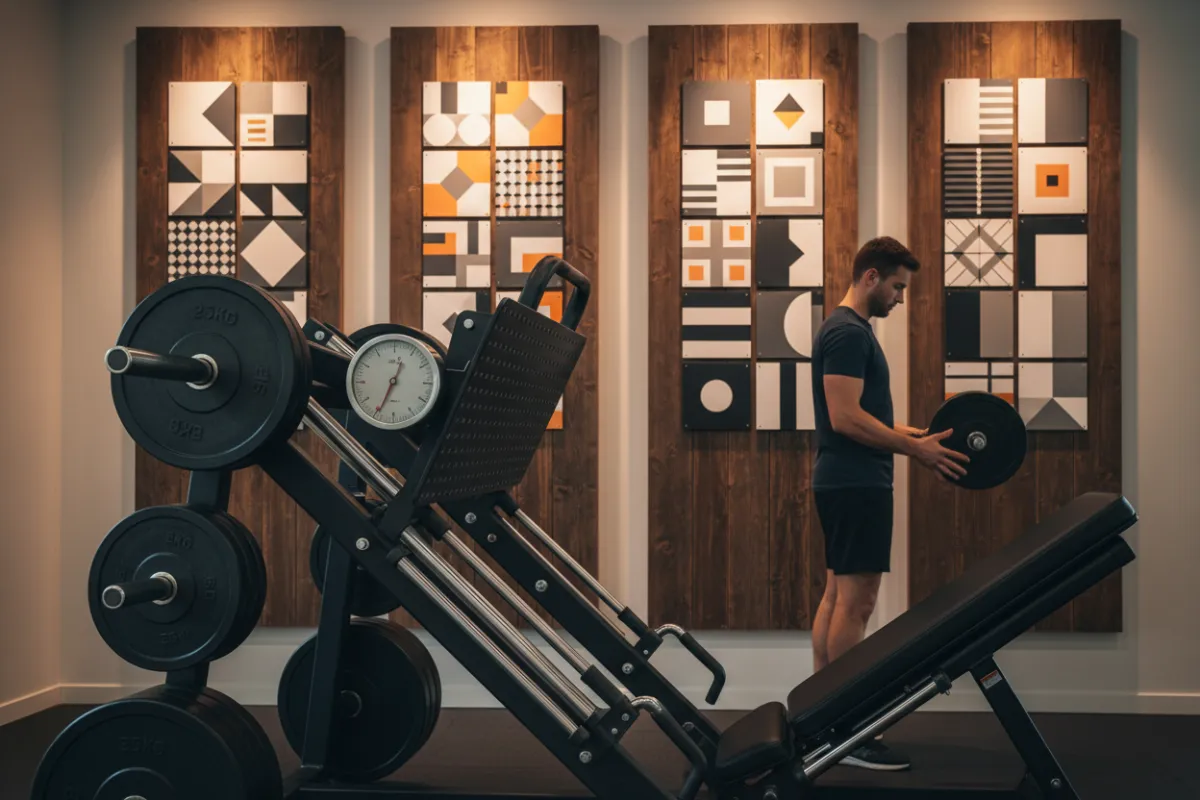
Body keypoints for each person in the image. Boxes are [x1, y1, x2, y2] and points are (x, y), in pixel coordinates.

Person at [809, 236, 970, 771]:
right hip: (855, 483)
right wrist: (913, 450)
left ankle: (820, 718)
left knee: (837, 596)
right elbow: (845, 417)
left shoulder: (845, 330)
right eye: (898, 287)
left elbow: (863, 417)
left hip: (847, 479)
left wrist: (917, 435)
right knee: (856, 603)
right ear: (871, 277)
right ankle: (847, 728)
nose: (901, 298)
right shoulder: (848, 333)